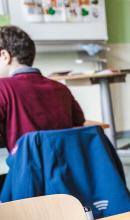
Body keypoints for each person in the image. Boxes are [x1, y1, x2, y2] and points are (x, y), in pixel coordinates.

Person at [0, 25, 85, 153]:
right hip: (66, 167)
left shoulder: (3, 87)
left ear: (4, 56)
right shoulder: (61, 88)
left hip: (27, 169)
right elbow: (78, 122)